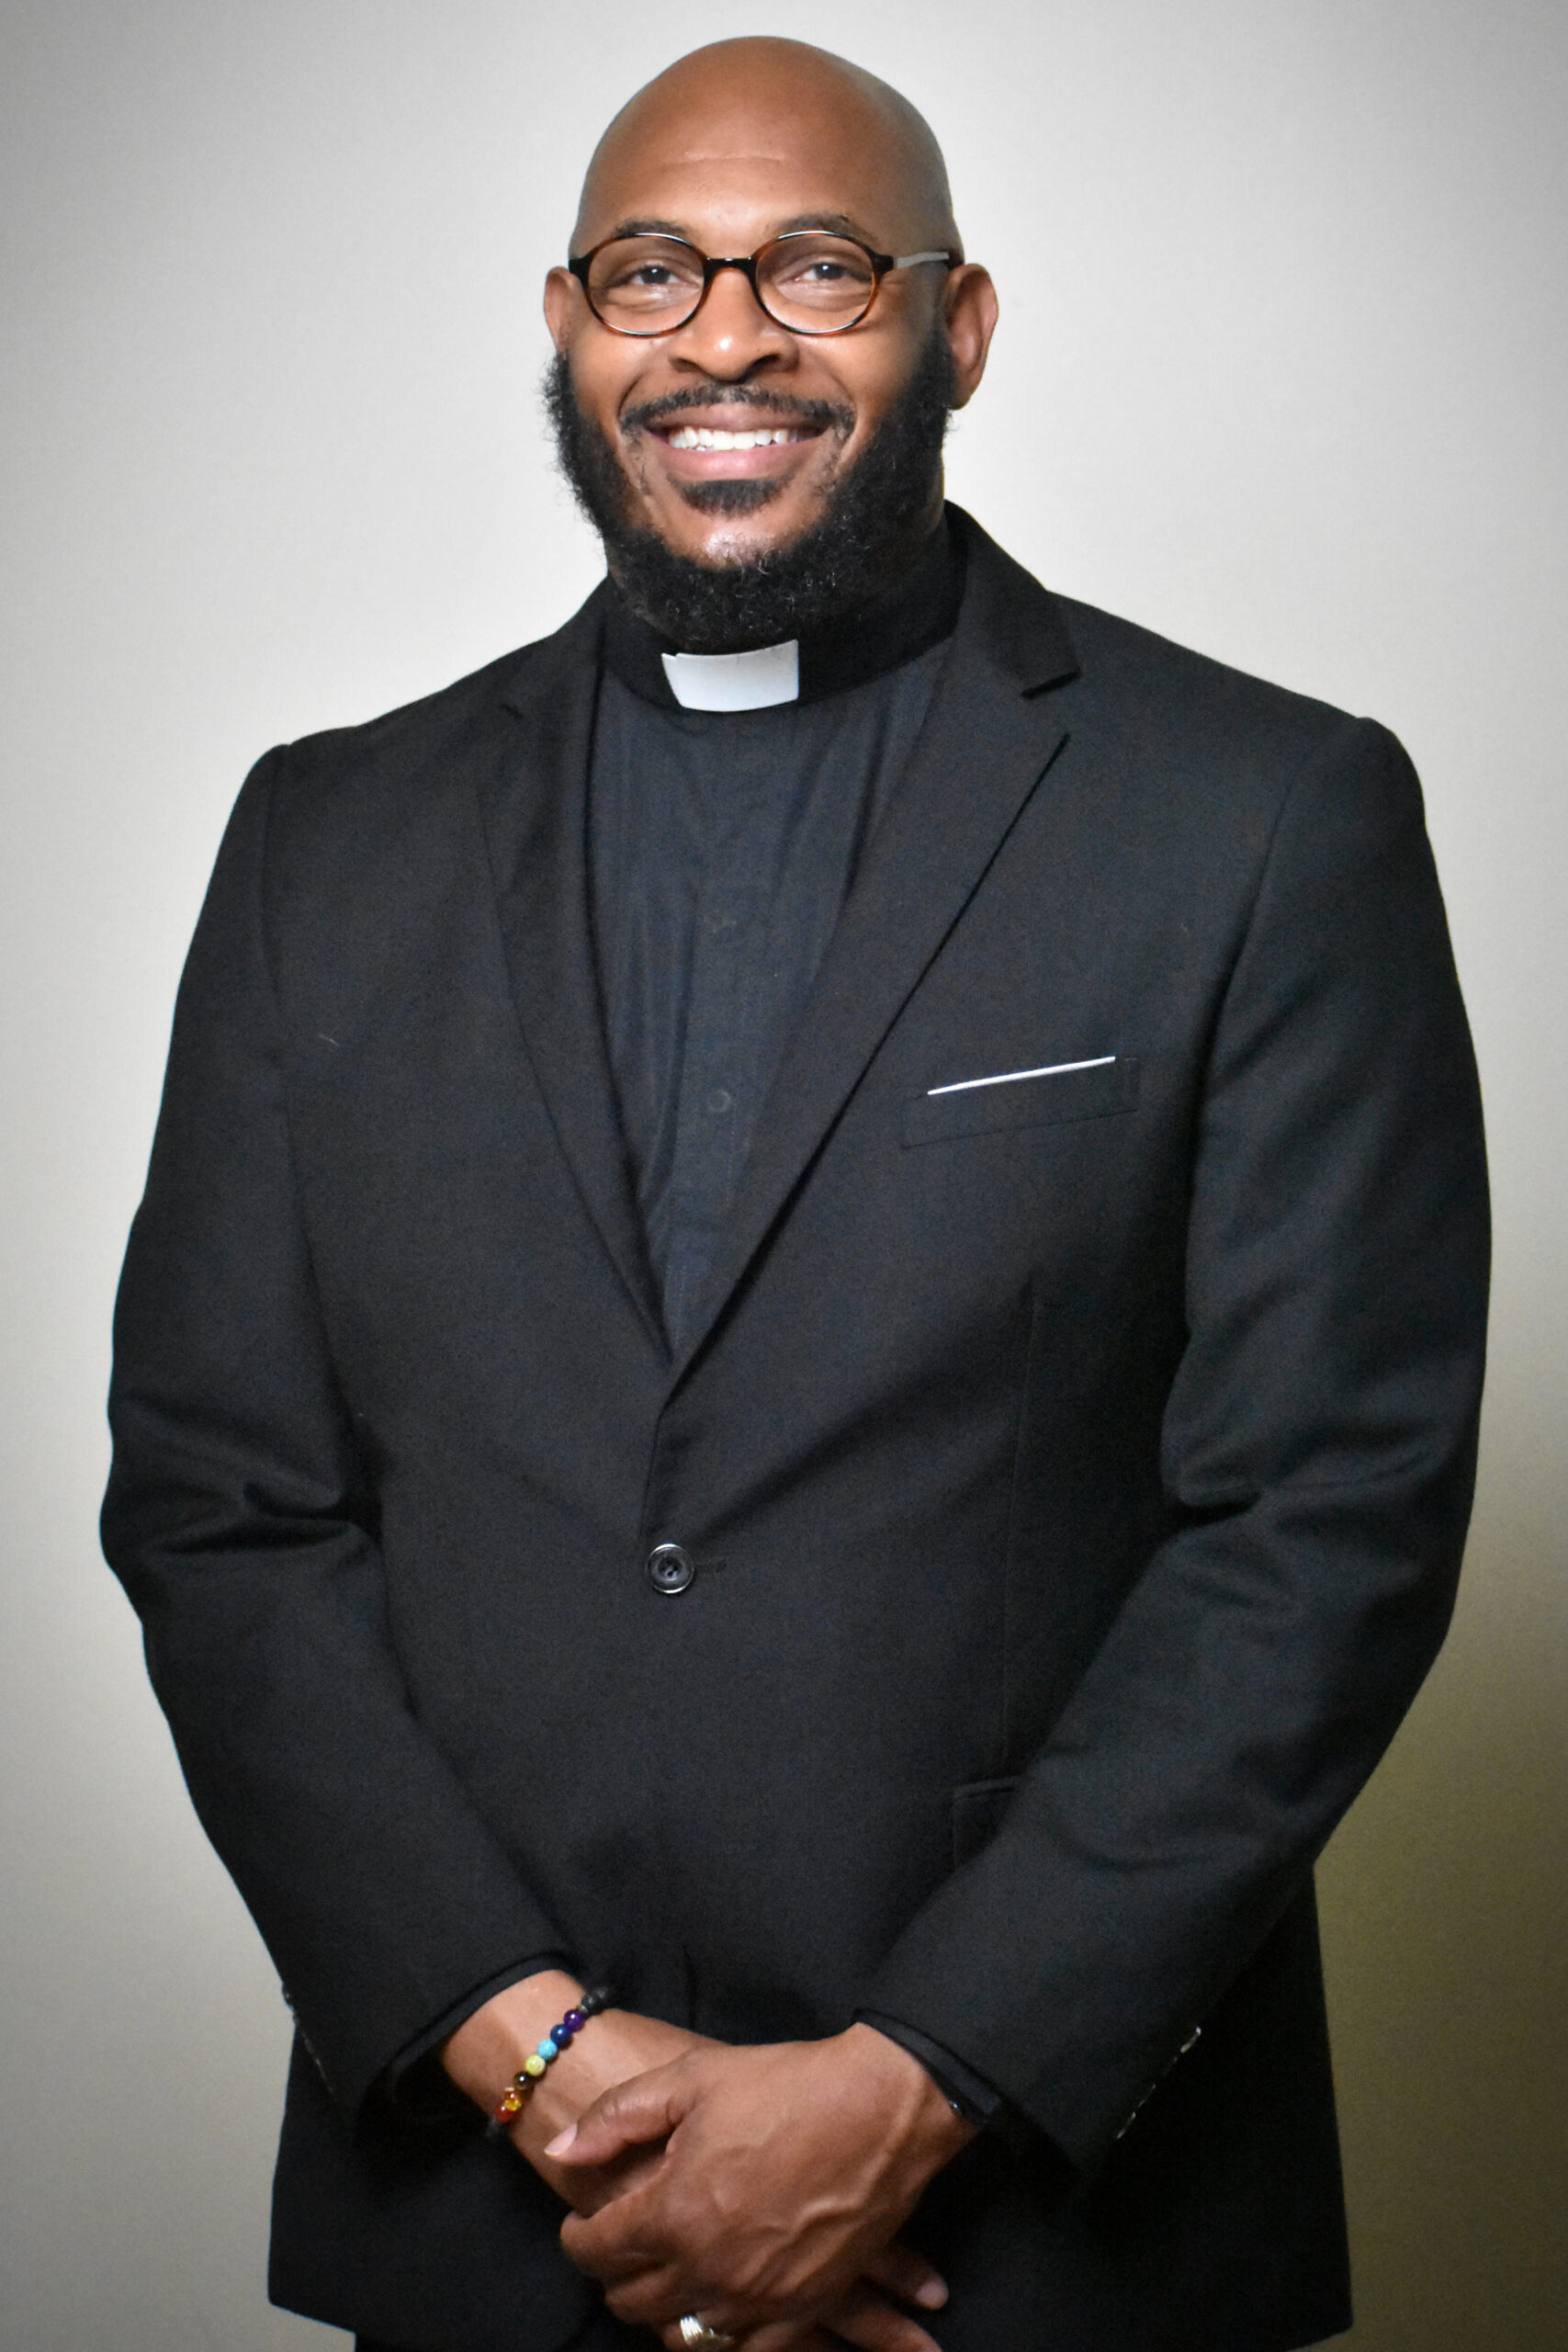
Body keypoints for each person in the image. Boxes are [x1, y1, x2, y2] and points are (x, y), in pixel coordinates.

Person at [102, 36, 1489, 2352]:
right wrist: (539, 2058)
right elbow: (219, 1502)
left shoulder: (1257, 814)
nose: (722, 337)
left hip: (1038, 2243)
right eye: (651, 273)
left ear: (956, 326)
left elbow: (1322, 1517)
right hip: (490, 2216)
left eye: (816, 267)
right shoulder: (319, 841)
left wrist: (907, 2087)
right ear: (568, 326)